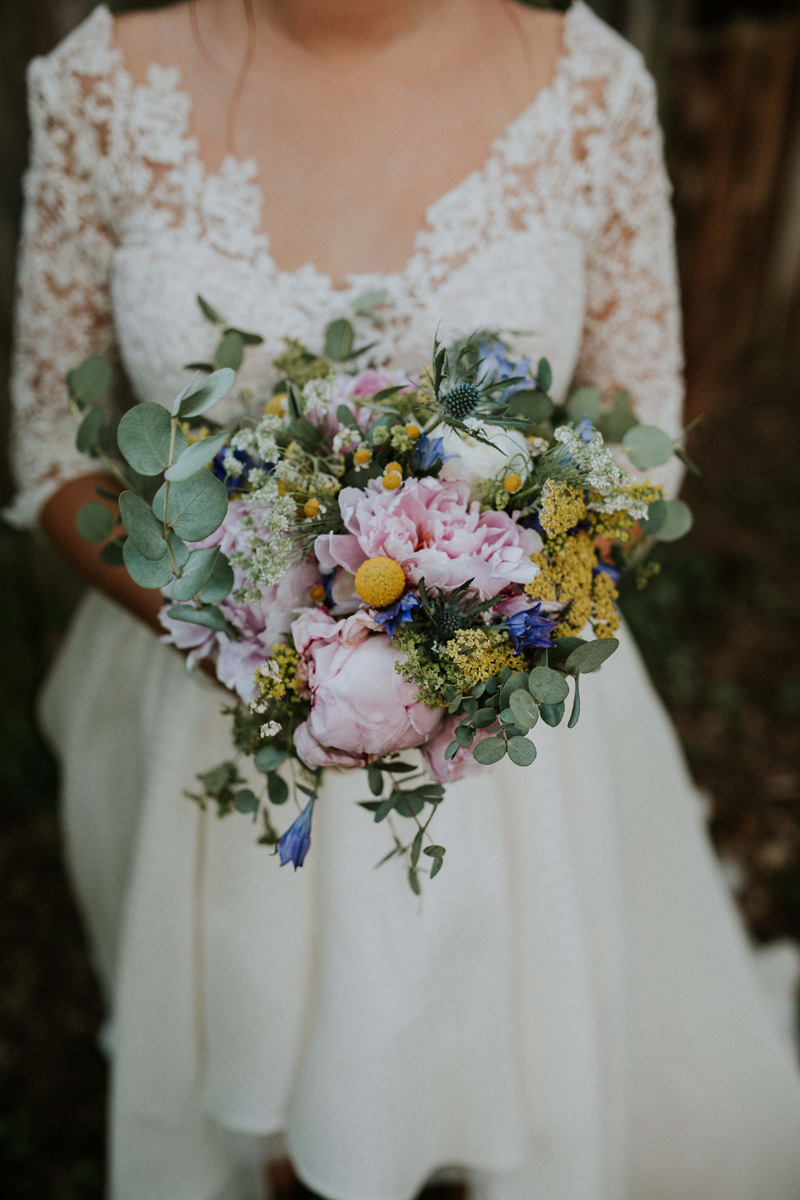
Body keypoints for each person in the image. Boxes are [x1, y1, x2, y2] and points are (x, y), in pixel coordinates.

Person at [8, 2, 800, 1198]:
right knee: (254, 1093)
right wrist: (253, 639)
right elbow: (47, 454)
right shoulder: (101, 87)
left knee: (496, 1073)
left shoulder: (588, 86)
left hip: (504, 732)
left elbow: (637, 435)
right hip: (211, 714)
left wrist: (470, 640)